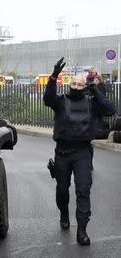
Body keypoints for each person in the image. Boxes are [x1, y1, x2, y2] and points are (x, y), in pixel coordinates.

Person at [43, 57, 116, 246]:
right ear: (69, 84)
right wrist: (53, 77)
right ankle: (64, 212)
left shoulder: (92, 102)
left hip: (83, 152)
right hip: (63, 153)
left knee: (83, 191)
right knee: (62, 189)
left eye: (80, 84)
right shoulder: (60, 101)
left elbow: (110, 110)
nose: (76, 86)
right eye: (73, 83)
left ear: (85, 86)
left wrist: (97, 93)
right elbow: (47, 99)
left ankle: (82, 230)